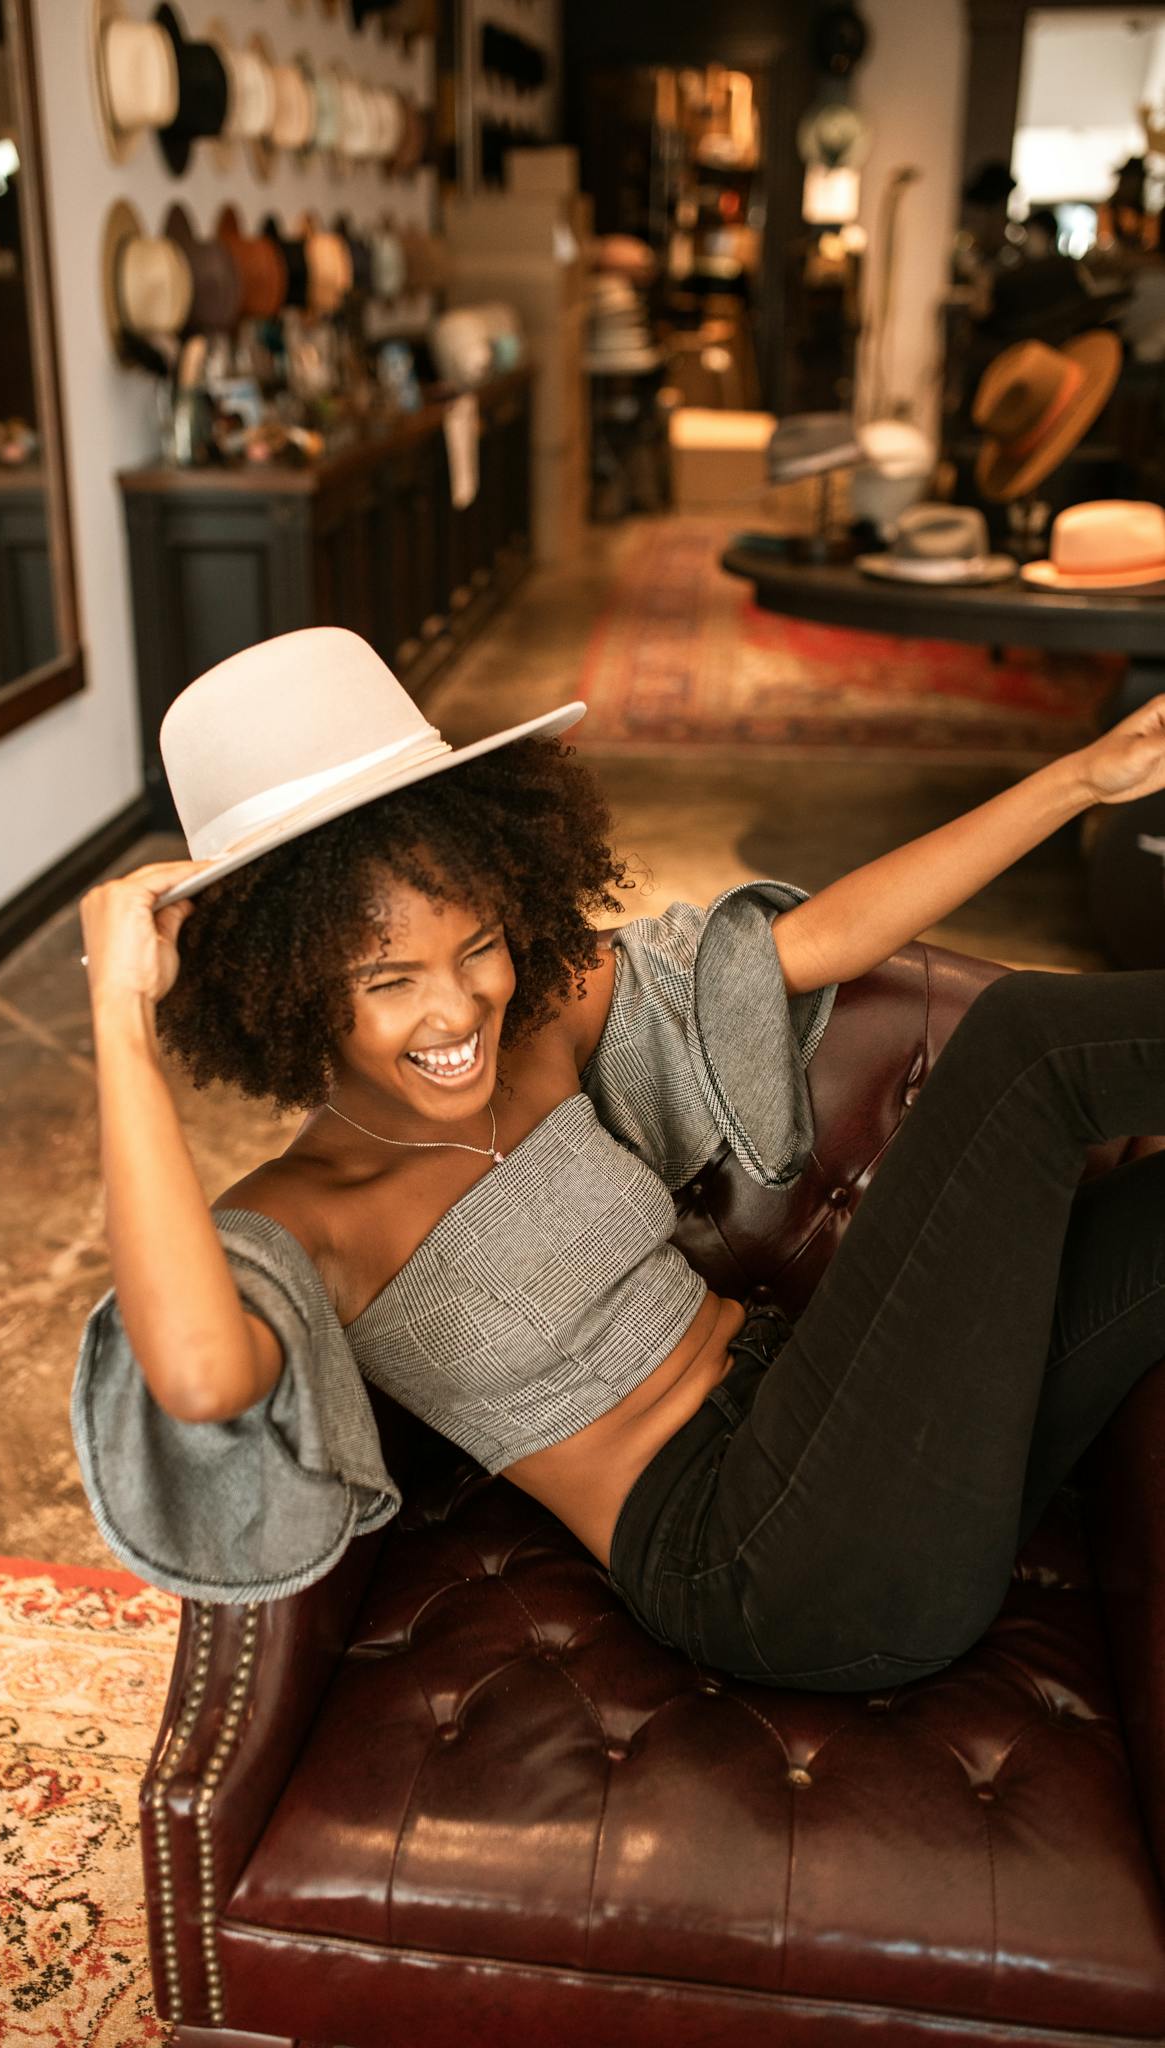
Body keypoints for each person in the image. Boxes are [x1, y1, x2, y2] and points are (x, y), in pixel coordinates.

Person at [73, 627, 1165, 1693]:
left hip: (855, 1444)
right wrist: (120, 1020)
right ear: (289, 993)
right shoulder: (312, 1217)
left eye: (477, 946)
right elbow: (201, 1376)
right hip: (761, 1558)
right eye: (387, 979)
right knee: (1022, 1045)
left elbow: (822, 939)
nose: (458, 1008)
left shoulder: (538, 1032)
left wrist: (1079, 778)